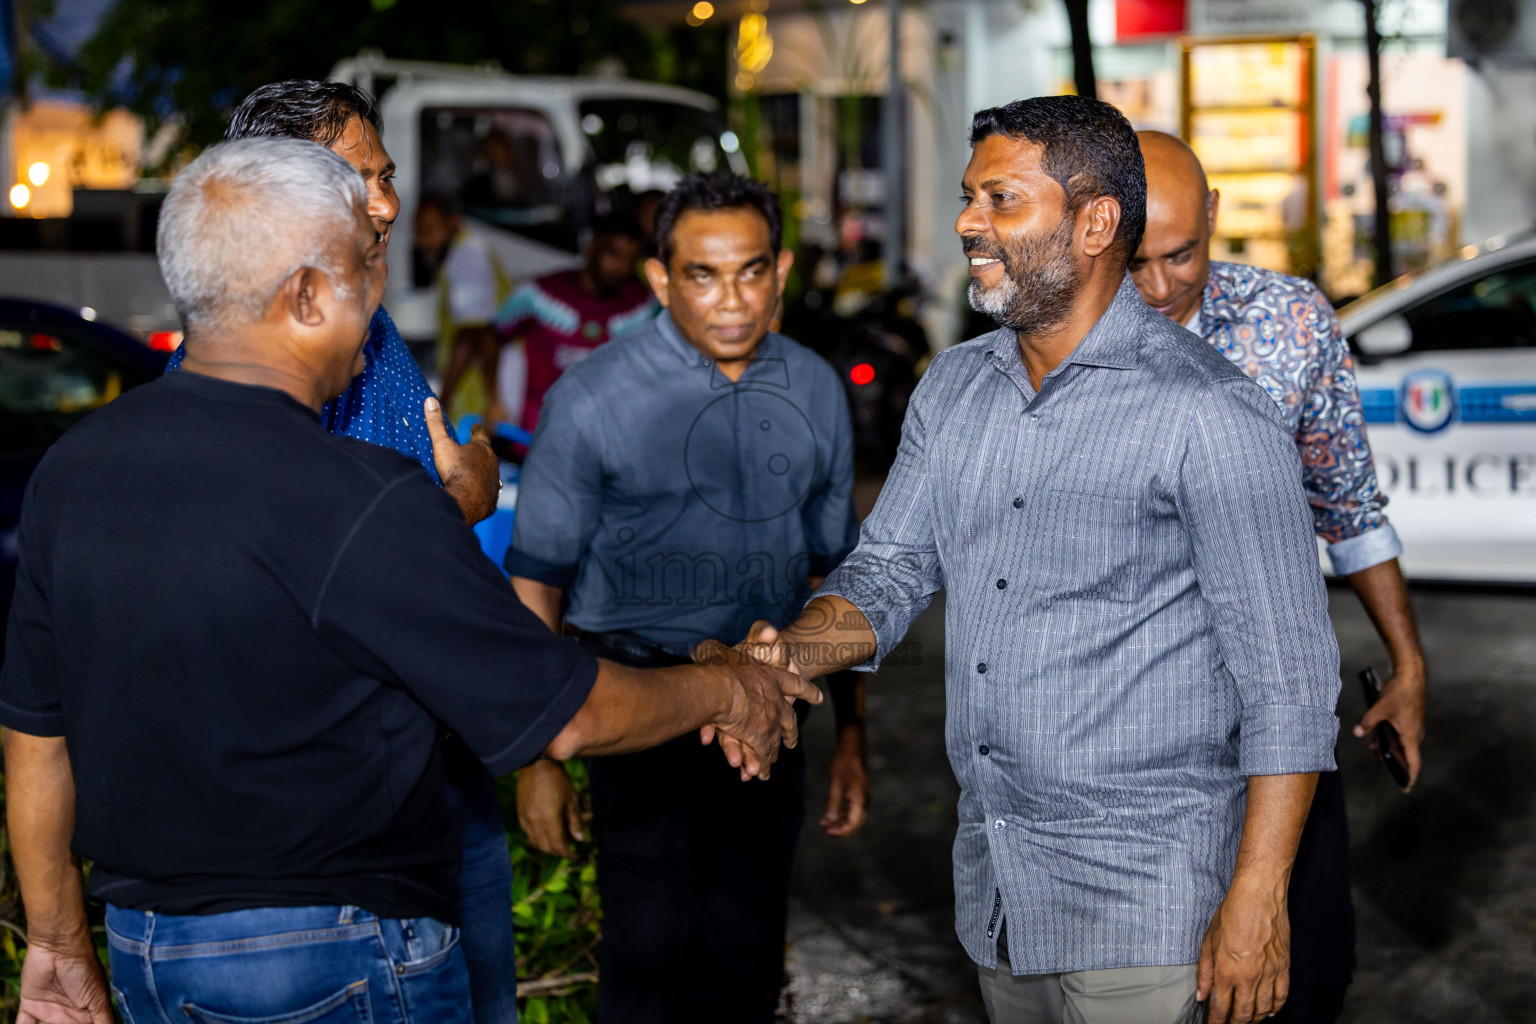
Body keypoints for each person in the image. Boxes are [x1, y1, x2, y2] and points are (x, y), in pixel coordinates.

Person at [0, 137, 817, 1024]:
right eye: (364, 266)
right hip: (334, 957)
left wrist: (55, 940)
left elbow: (36, 737)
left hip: (146, 954)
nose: (379, 293)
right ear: (308, 294)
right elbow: (567, 710)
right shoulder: (357, 496)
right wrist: (728, 688)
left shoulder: (75, 469)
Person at [714, 96, 1343, 1024]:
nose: (970, 222)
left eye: (1002, 200)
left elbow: (1291, 683)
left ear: (1095, 224)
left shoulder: (1209, 414)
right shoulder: (955, 386)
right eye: (971, 198)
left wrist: (1258, 901)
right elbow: (888, 569)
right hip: (1001, 887)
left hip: (1150, 901)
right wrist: (776, 664)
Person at [163, 80, 520, 1024]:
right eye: (357, 179)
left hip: (441, 774)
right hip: (341, 833)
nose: (389, 203)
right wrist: (463, 500)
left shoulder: (377, 331)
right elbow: (326, 583)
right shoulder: (246, 371)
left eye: (387, 175)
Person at [507, 171, 868, 1023]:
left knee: (745, 969)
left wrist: (852, 732)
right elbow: (537, 585)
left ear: (780, 268)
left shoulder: (816, 388)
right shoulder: (593, 399)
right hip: (637, 710)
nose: (731, 299)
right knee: (645, 971)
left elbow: (840, 578)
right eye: (702, 275)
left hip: (774, 712)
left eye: (750, 270)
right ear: (662, 278)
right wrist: (536, 757)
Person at [1130, 130, 1429, 1023]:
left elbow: (1349, 507)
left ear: (1215, 216)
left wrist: (1407, 666)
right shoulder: (1064, 338)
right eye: (1134, 259)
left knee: (1306, 975)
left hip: (1281, 711)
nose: (1156, 286)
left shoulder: (1291, 322)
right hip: (1135, 729)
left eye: (1180, 254)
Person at [494, 211, 654, 433]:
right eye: (613, 254)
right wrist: (494, 398)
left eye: (630, 260)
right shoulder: (538, 293)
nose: (621, 267)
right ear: (590, 247)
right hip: (536, 432)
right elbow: (492, 336)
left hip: (605, 436)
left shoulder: (641, 305)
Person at [419, 195, 512, 423]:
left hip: (480, 386)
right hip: (481, 384)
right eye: (419, 231)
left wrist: (445, 400)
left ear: (454, 223)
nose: (423, 240)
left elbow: (470, 334)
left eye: (430, 229)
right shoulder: (463, 252)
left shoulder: (466, 255)